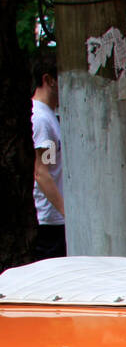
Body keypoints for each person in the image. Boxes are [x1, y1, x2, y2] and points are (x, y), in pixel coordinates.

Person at [31, 57, 65, 260]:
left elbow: (50, 165)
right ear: (49, 80)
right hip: (49, 221)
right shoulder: (41, 119)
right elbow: (41, 173)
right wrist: (66, 212)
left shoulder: (49, 116)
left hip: (54, 220)